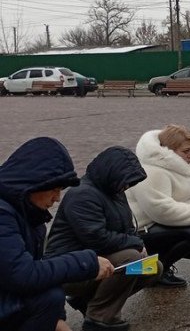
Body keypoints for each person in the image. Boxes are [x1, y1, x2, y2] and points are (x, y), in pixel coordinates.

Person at [0, 137, 114, 331]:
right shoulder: (3, 214)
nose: (57, 198)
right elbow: (22, 275)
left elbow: (36, 274)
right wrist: (86, 262)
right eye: (54, 189)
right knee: (48, 297)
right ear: (34, 183)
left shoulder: (29, 213)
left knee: (51, 295)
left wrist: (56, 319)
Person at [46, 146, 160, 331]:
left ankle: (87, 301)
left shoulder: (115, 191)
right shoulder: (82, 195)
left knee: (152, 267)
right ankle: (100, 318)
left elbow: (128, 228)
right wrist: (136, 244)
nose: (127, 186)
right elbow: (97, 238)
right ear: (111, 173)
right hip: (70, 267)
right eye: (126, 182)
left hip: (99, 261)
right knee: (131, 259)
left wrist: (139, 246)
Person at [126, 125, 190, 289]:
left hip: (164, 226)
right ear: (169, 151)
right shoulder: (151, 171)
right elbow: (161, 210)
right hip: (143, 231)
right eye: (186, 151)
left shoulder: (187, 164)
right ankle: (154, 272)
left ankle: (161, 266)